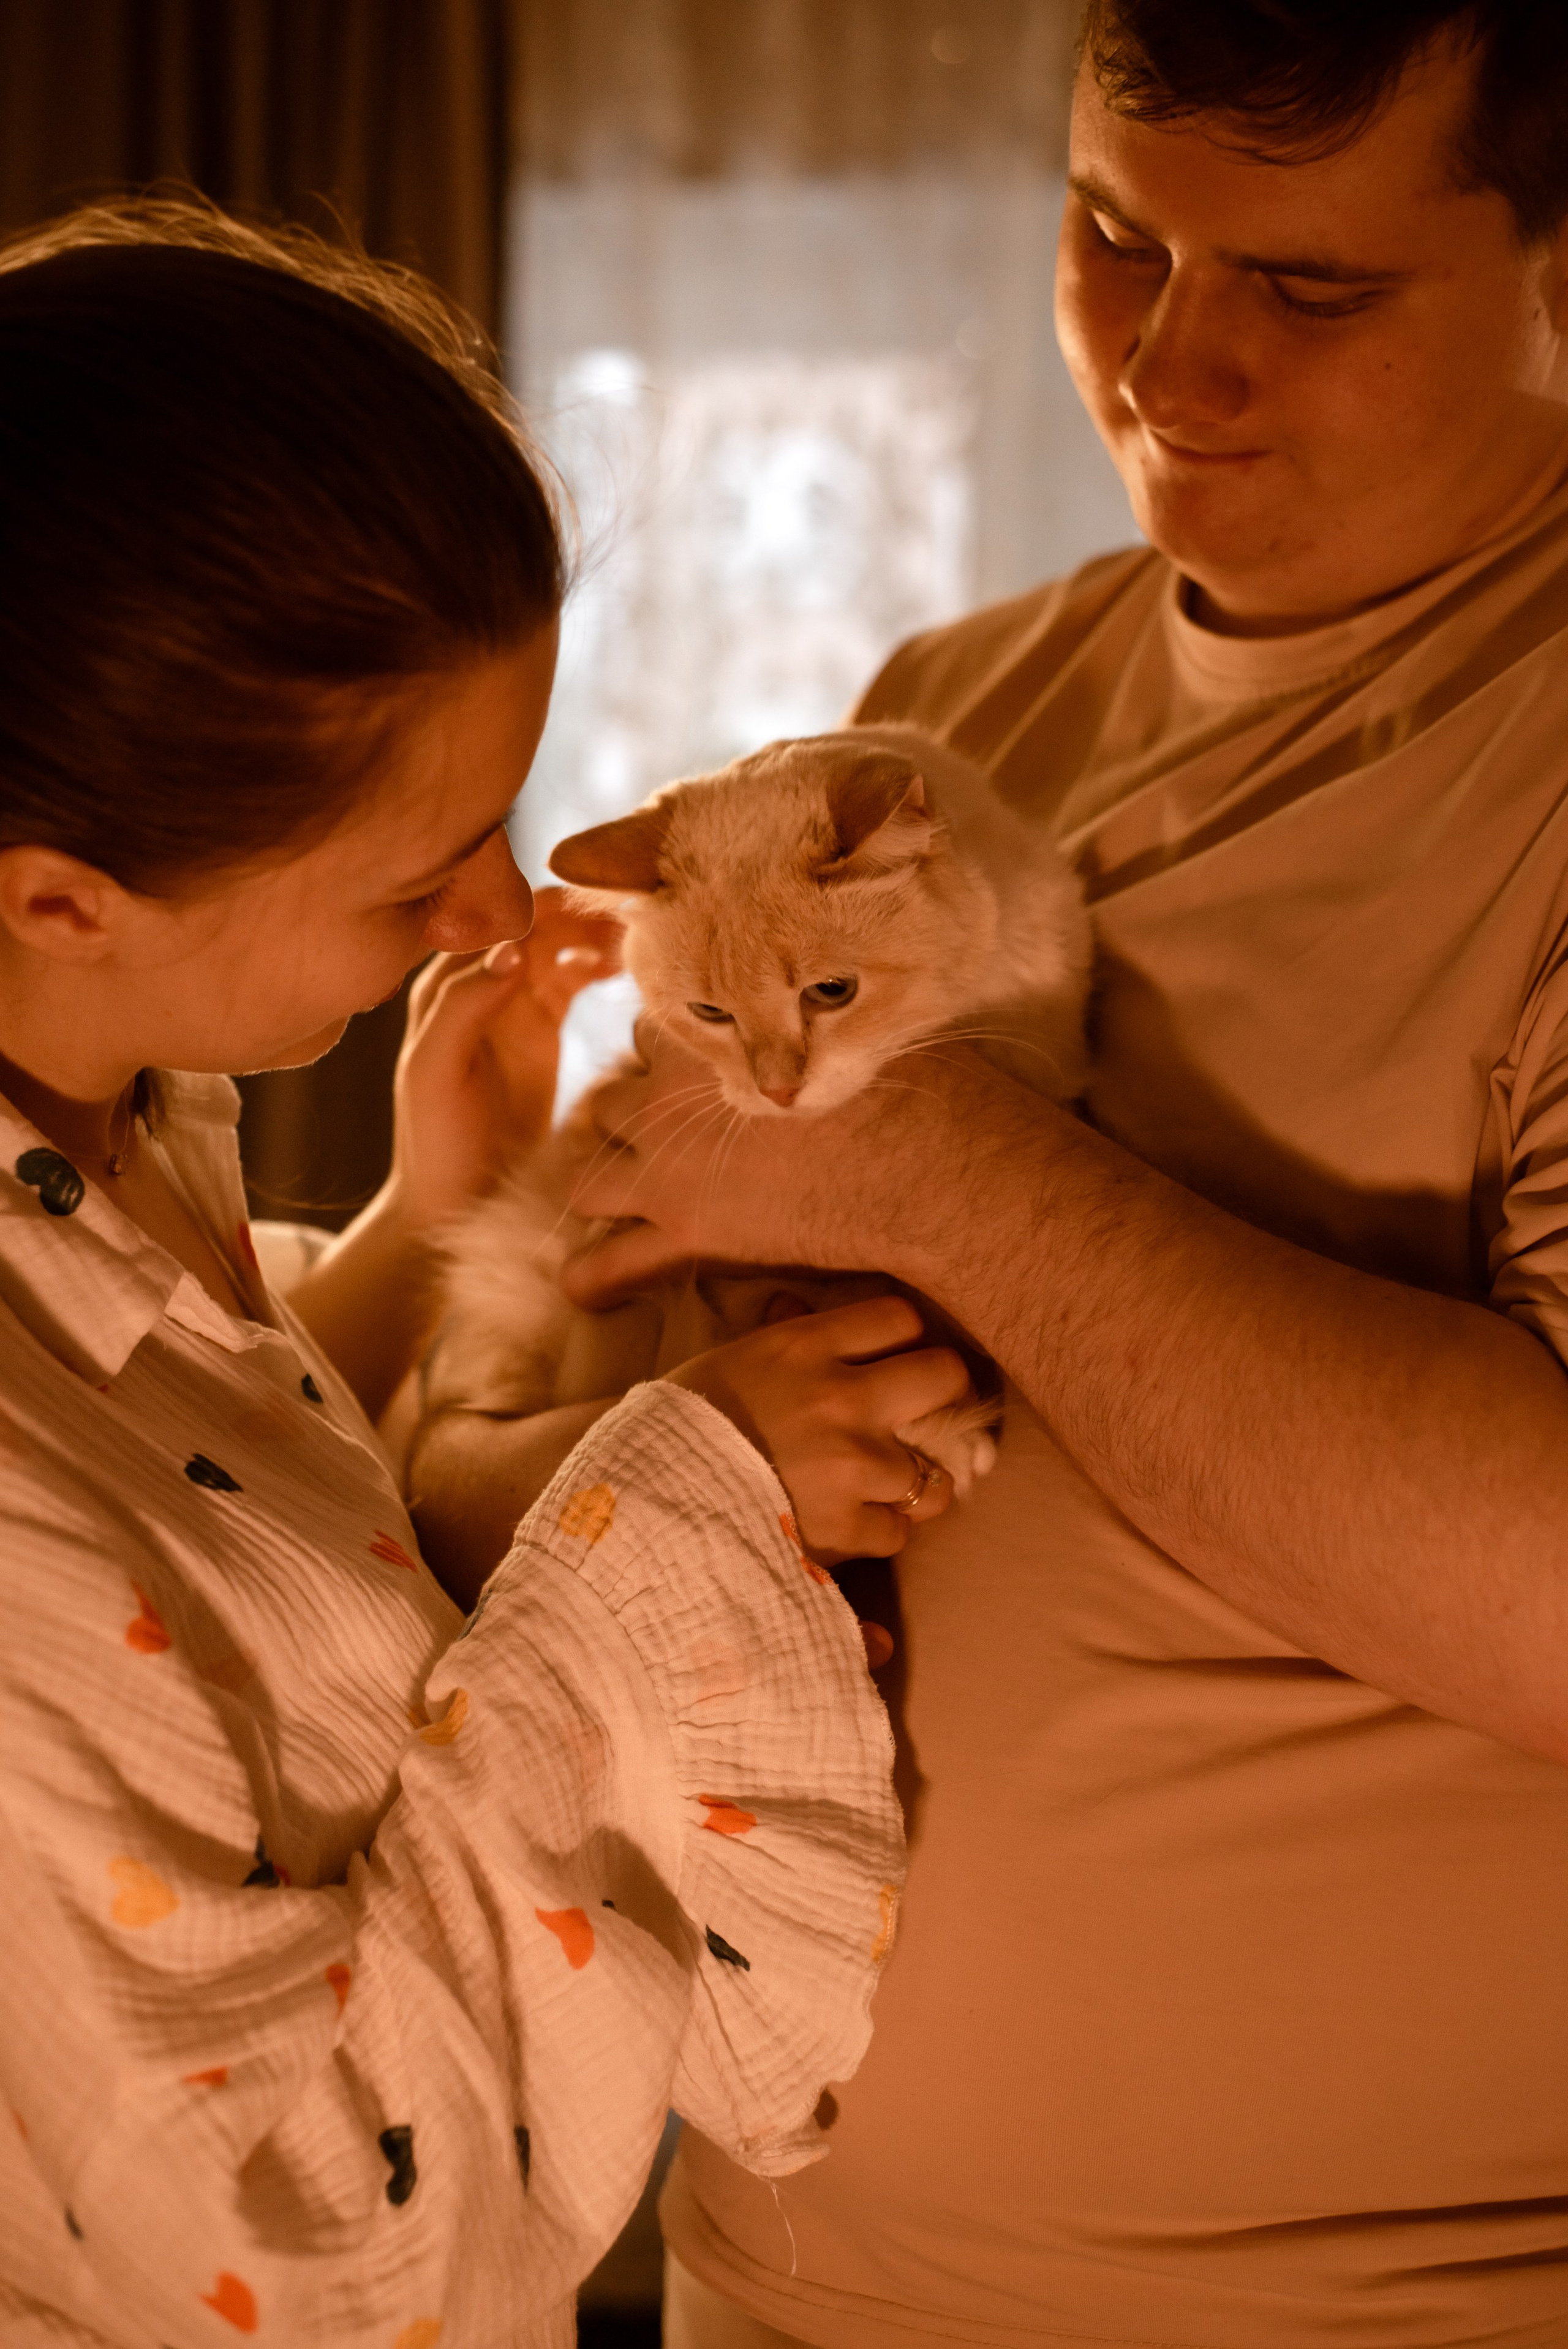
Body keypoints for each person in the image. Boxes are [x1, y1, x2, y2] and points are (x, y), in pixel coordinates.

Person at [526, 2, 1568, 2342]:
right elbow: (628, 1264)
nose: (1174, 367)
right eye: (1115, 235)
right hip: (780, 2270)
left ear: (1551, 264)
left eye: (1310, 285)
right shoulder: (953, 708)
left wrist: (940, 1172)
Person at [0, 199, 974, 2348]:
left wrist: (409, 1253)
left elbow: (180, 1471)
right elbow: (325, 2249)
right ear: (67, 898)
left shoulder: (104, 1119)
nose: (496, 905)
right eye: (412, 868)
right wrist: (680, 1517)